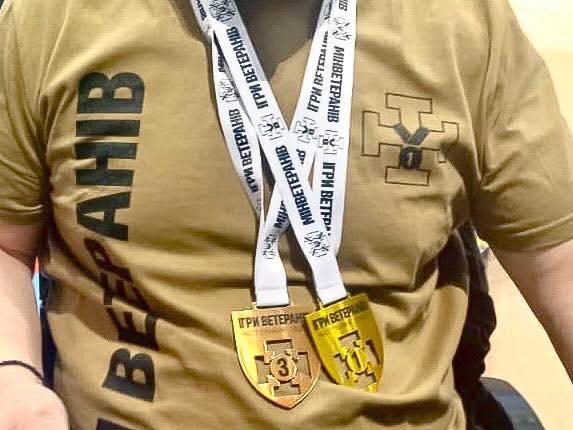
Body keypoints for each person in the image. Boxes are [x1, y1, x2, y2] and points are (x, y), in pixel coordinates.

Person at [0, 0, 571, 429]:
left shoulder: (462, 23)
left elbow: (559, 263)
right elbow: (6, 245)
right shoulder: (56, 18)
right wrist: (12, 380)